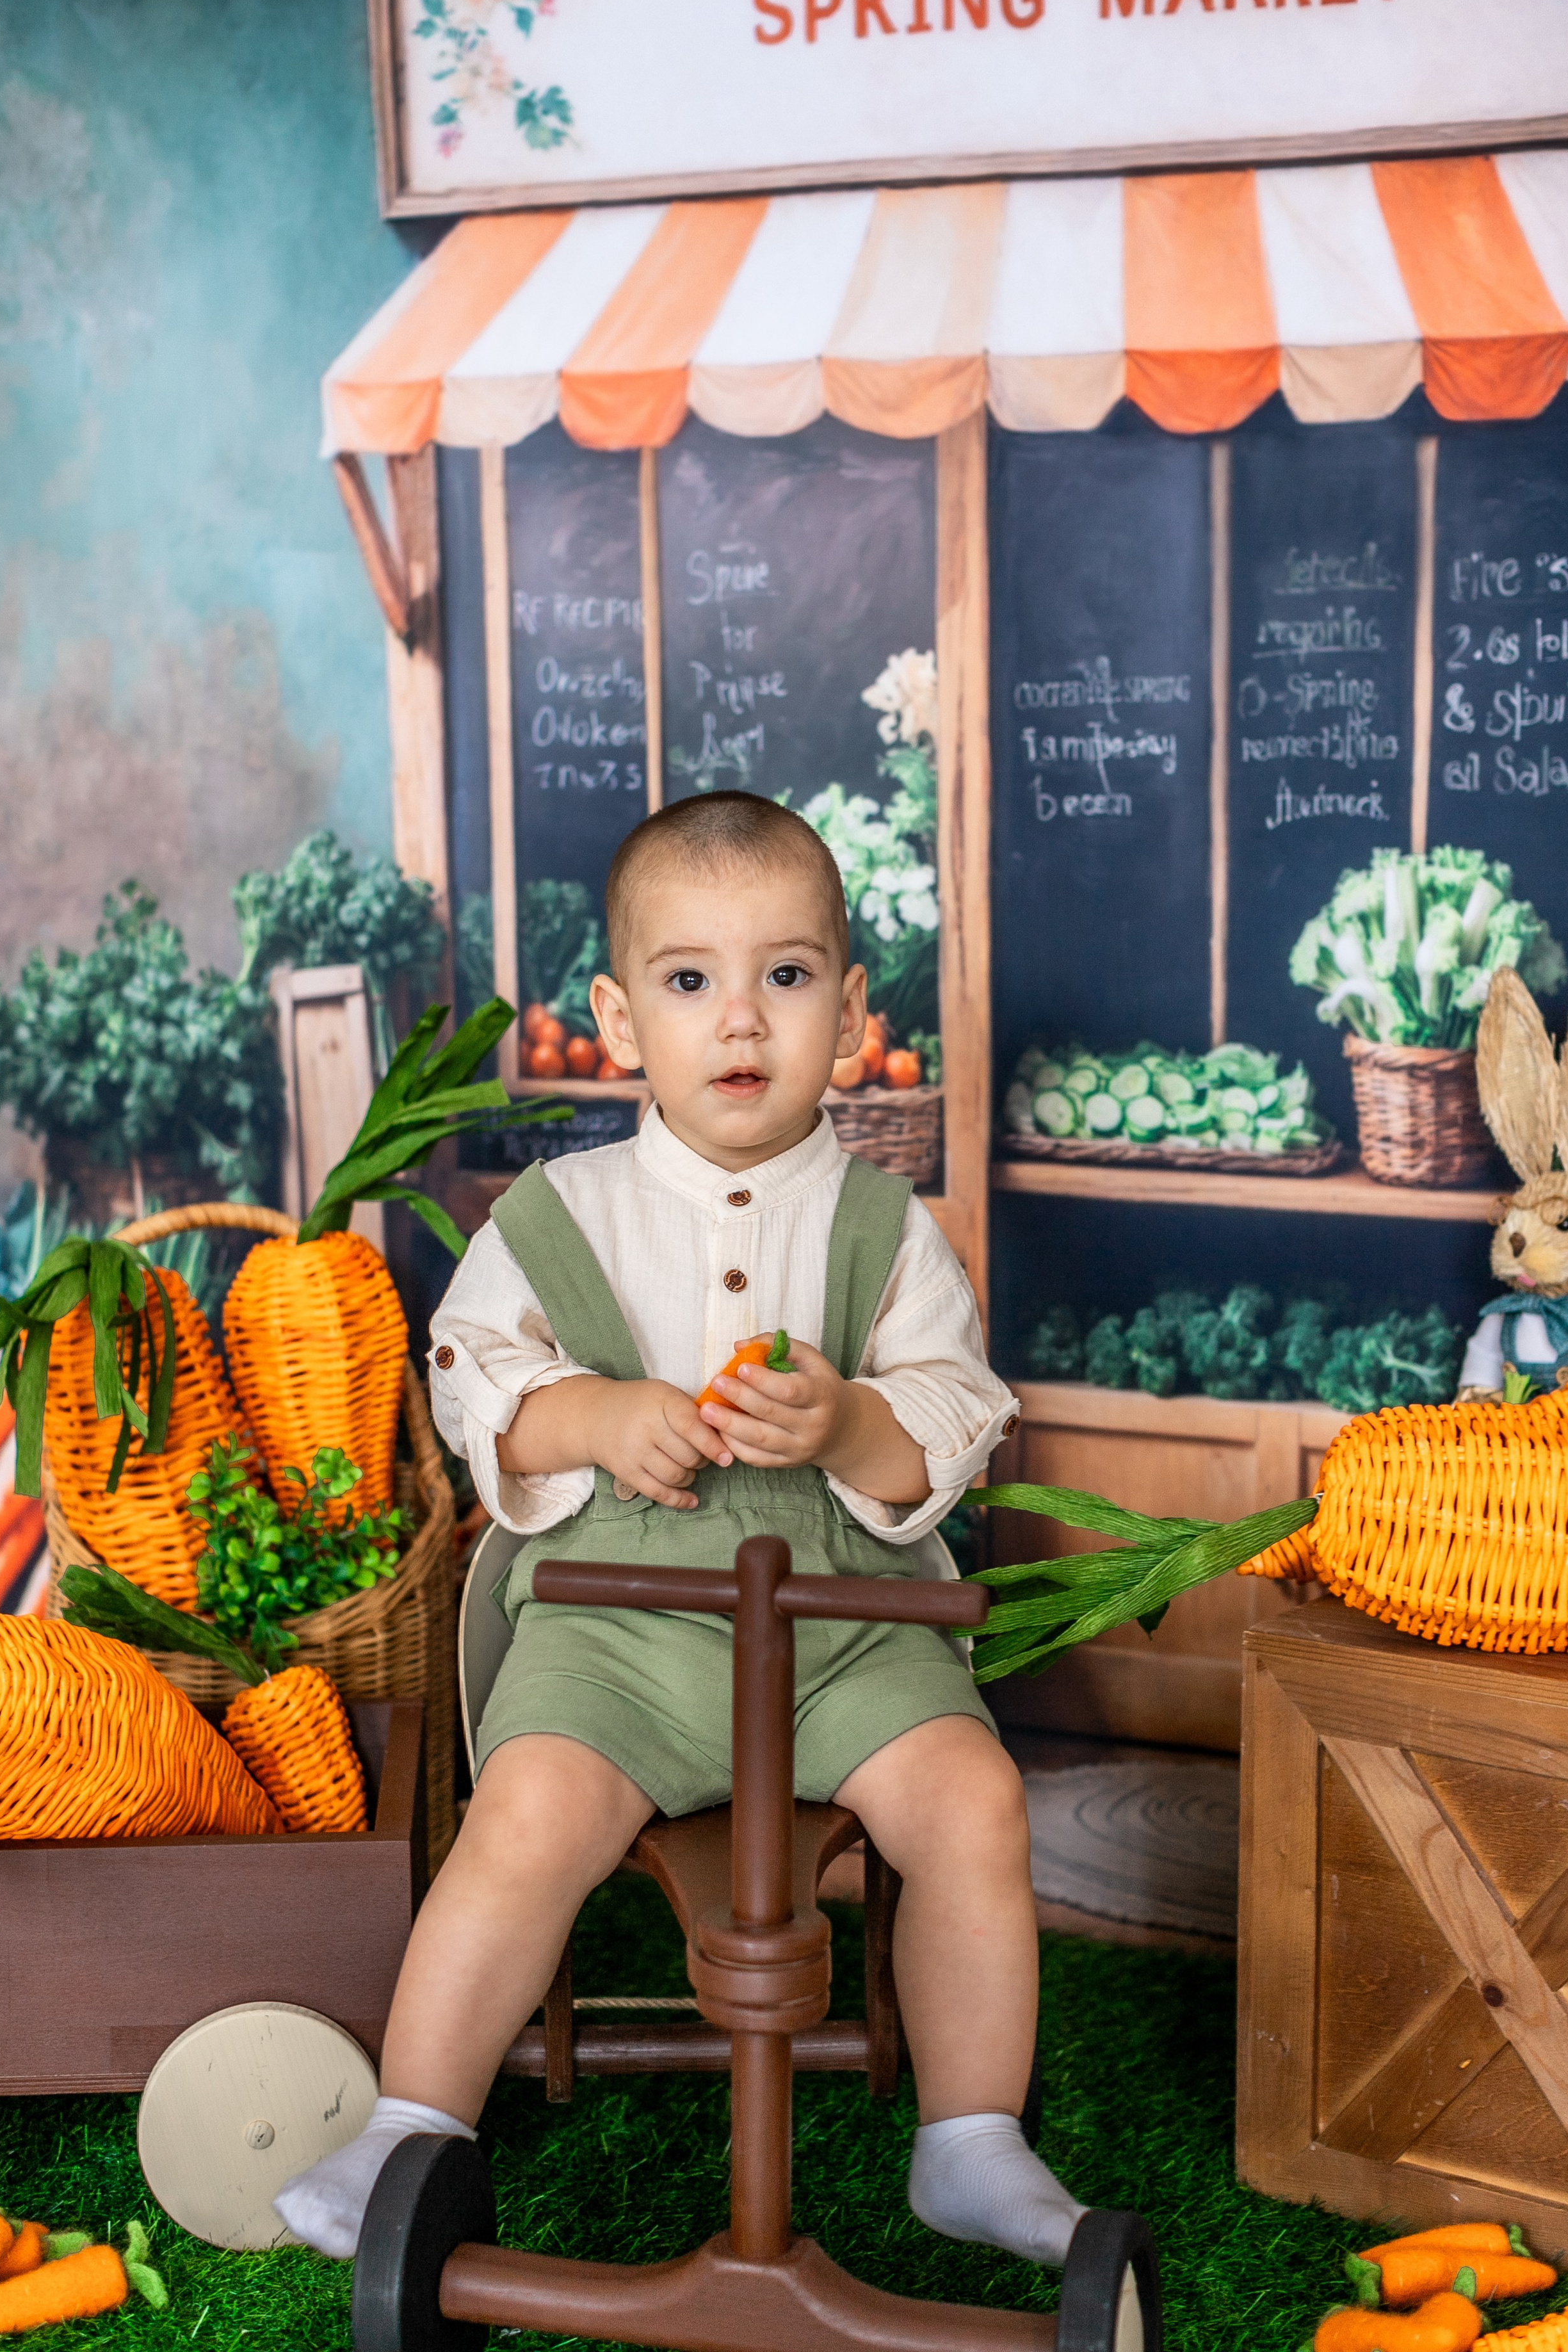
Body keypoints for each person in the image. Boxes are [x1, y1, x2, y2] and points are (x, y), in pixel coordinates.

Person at [275, 791, 1083, 2266]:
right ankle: (410, 2122)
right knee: (523, 1818)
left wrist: (847, 1426)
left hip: (844, 1623)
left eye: (784, 978)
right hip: (616, 1624)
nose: (739, 1022)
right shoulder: (558, 1211)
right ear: (618, 1015)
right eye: (688, 980)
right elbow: (475, 1380)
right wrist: (587, 1419)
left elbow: (958, 1412)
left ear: (848, 1015)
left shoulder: (885, 1228)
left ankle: (971, 2138)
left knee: (970, 1800)